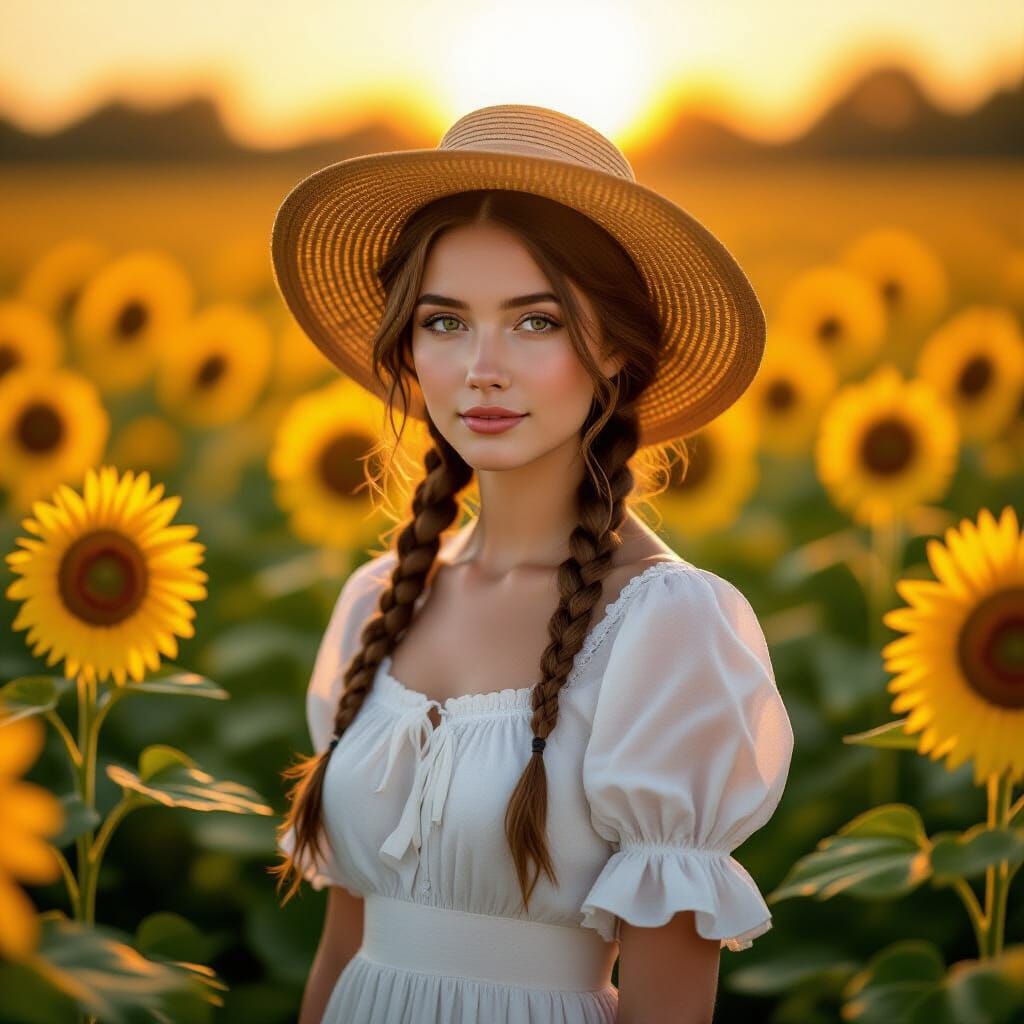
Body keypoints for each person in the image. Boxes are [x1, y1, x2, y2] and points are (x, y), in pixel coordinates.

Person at [269, 103, 795, 1023]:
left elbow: (668, 1000)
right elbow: (341, 953)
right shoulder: (374, 602)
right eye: (444, 322)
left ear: (618, 351)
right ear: (405, 345)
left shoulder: (667, 627)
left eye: (536, 322)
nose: (482, 367)